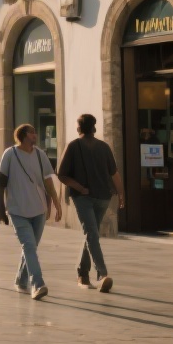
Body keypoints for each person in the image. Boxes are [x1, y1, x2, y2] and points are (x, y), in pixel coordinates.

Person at [57, 114, 124, 293]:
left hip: (85, 197)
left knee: (91, 234)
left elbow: (61, 174)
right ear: (94, 128)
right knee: (92, 234)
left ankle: (92, 274)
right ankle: (98, 274)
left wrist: (79, 187)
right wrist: (122, 194)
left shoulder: (73, 146)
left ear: (78, 128)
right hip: (103, 196)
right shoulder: (104, 147)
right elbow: (114, 173)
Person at [0, 124, 62, 300]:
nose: (35, 134)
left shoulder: (40, 155)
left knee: (31, 248)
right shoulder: (10, 154)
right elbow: (0, 184)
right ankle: (38, 284)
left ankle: (20, 280)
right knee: (29, 246)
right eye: (32, 132)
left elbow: (48, 182)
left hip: (38, 210)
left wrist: (56, 204)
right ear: (23, 135)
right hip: (17, 210)